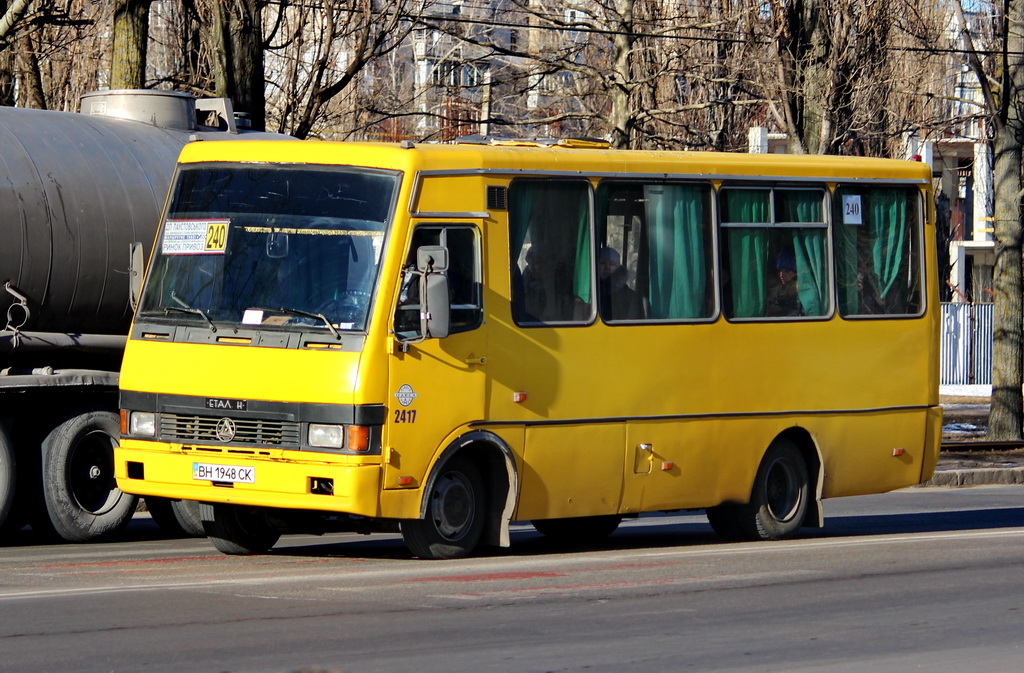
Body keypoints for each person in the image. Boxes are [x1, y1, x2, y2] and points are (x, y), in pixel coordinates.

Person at [598, 246, 642, 320]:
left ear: (618, 268)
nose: (607, 267)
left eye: (612, 264)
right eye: (602, 263)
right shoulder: (589, 293)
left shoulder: (630, 297)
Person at [766, 248, 801, 317]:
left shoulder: (800, 287)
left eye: (787, 271)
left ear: (795, 272)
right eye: (779, 271)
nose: (781, 275)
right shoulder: (772, 286)